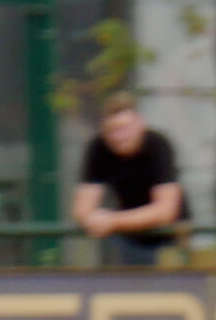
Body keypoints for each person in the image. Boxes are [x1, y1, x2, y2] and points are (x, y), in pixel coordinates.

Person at [73, 93, 185, 266]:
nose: (118, 137)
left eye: (124, 128)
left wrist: (112, 221)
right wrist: (93, 219)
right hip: (128, 243)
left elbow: (165, 211)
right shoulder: (98, 148)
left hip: (169, 239)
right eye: (112, 130)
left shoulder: (158, 146)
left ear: (140, 123)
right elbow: (82, 207)